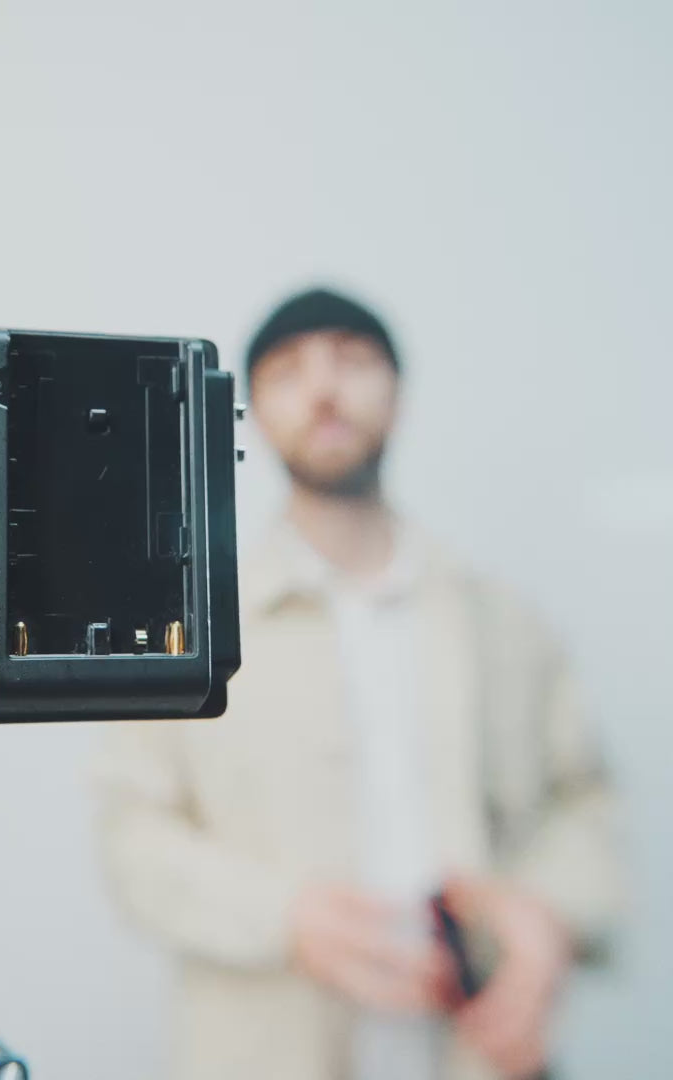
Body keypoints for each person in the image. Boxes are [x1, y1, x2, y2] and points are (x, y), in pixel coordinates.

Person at [92, 288, 619, 1080]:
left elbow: (585, 801)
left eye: (352, 359)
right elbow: (130, 836)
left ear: (398, 397)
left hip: (481, 1054)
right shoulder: (184, 631)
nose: (324, 388)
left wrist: (548, 918)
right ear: (251, 416)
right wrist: (284, 918)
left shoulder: (504, 618)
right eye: (288, 371)